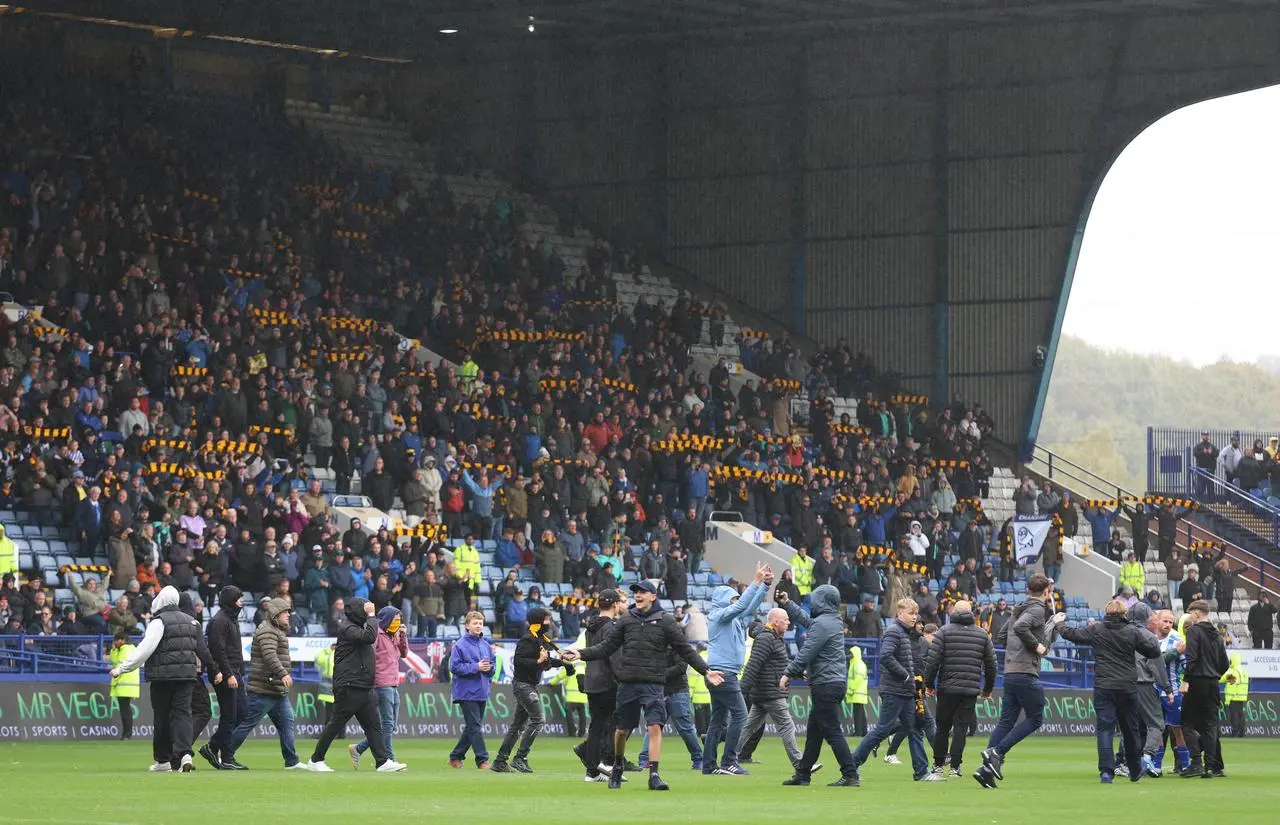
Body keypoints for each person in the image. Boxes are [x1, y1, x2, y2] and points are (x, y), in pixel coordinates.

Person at [564, 580, 722, 791]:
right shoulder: (626, 620)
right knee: (621, 730)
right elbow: (606, 647)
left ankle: (654, 774)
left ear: (653, 596)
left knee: (655, 726)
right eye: (636, 592)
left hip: (654, 684)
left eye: (642, 592)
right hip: (628, 684)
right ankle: (617, 765)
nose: (637, 595)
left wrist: (706, 670)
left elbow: (685, 650)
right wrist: (581, 654)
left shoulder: (665, 621)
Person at [1057, 599, 1160, 783]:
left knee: (1105, 729)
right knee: (1130, 730)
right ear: (1124, 614)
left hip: (1104, 685)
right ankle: (1135, 769)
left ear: (1106, 612)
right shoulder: (1132, 631)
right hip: (1127, 686)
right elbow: (1153, 651)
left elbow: (1071, 635)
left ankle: (1106, 771)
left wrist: (1059, 623)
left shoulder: (1097, 629)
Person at [975, 574, 1060, 789]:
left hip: (1011, 671)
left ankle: (986, 769)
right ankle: (997, 752)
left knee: (1006, 721)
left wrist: (1047, 627)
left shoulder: (1017, 609)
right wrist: (1037, 643)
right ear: (1046, 592)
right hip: (1025, 671)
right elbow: (1024, 629)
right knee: (1035, 718)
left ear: (1028, 590)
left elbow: (1004, 636)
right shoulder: (1037, 610)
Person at [307, 598, 407, 772]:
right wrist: (372, 616)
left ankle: (383, 762)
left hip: (363, 686)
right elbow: (369, 637)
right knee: (336, 724)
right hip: (349, 685)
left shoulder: (359, 626)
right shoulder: (348, 627)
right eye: (364, 609)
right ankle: (316, 760)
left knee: (374, 726)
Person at [108, 585, 201, 773]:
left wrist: (123, 668)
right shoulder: (192, 622)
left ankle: (163, 760)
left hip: (163, 677)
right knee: (183, 714)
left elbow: (145, 649)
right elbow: (201, 650)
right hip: (187, 676)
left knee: (162, 718)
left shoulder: (159, 622)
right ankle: (185, 755)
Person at [778, 584, 858, 786]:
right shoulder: (831, 621)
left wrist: (788, 673)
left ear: (821, 601)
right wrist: (788, 604)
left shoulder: (823, 624)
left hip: (825, 684)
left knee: (831, 730)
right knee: (814, 733)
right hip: (834, 682)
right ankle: (803, 774)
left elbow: (806, 652)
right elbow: (808, 622)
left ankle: (850, 774)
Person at [845, 599, 930, 783]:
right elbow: (885, 656)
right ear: (899, 613)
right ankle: (851, 765)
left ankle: (922, 772)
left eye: (915, 613)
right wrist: (906, 676)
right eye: (910, 613)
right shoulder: (894, 631)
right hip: (895, 690)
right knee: (882, 730)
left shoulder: (904, 632)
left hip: (905, 691)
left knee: (914, 728)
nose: (914, 616)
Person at [223, 597, 308, 770]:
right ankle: (224, 753)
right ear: (276, 614)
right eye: (285, 612)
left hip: (276, 689)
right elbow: (270, 655)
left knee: (287, 723)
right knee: (247, 724)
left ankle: (291, 761)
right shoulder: (268, 630)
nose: (288, 616)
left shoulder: (275, 629)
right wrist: (283, 673)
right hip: (264, 688)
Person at [702, 562, 771, 776]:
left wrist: (765, 587)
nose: (735, 602)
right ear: (723, 601)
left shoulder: (731, 618)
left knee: (717, 720)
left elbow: (748, 607)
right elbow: (742, 607)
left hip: (723, 672)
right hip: (723, 673)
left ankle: (709, 765)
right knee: (741, 716)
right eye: (732, 599)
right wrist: (756, 581)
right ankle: (729, 761)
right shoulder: (717, 616)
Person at [923, 600, 997, 778]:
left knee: (942, 727)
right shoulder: (982, 634)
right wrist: (987, 689)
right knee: (961, 730)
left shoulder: (944, 632)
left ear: (954, 612)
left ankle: (939, 765)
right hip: (969, 690)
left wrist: (929, 685)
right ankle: (955, 767)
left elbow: (932, 661)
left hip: (947, 688)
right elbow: (992, 665)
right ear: (971, 612)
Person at [492, 607, 566, 773]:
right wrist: (538, 660)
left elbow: (544, 663)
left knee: (518, 724)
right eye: (547, 620)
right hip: (523, 685)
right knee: (538, 720)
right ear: (539, 621)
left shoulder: (539, 639)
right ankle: (520, 758)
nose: (549, 623)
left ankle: (500, 761)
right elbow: (519, 661)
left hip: (528, 685)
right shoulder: (528, 639)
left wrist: (563, 664)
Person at [738, 607, 810, 773]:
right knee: (787, 726)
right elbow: (753, 666)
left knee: (748, 727)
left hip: (764, 692)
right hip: (770, 692)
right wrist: (741, 691)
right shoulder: (766, 638)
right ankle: (800, 763)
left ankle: (729, 757)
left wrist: (798, 673)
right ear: (775, 622)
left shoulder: (774, 638)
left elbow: (780, 664)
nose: (788, 622)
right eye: (785, 619)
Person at [573, 589, 625, 781]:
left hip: (591, 680)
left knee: (595, 726)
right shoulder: (612, 627)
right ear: (615, 605)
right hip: (608, 680)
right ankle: (607, 764)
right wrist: (622, 677)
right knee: (614, 724)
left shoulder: (590, 626)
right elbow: (614, 656)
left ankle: (592, 771)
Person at [349, 606, 409, 769]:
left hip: (394, 683)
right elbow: (367, 654)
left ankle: (358, 748)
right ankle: (388, 759)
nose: (397, 623)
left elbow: (403, 654)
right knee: (387, 723)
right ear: (386, 619)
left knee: (389, 725)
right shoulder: (377, 634)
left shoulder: (394, 635)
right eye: (395, 619)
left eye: (399, 620)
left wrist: (403, 635)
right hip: (381, 683)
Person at [1180, 599, 1229, 778]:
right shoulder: (1217, 634)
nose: (1190, 616)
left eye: (1191, 613)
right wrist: (1214, 673)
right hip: (1213, 683)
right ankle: (1211, 766)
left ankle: (1195, 762)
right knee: (1210, 725)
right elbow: (1225, 663)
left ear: (1197, 613)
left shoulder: (1193, 631)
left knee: (1187, 722)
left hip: (1196, 681)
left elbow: (1191, 659)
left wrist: (1186, 680)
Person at [638, 643, 705, 771]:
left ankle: (698, 759)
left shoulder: (676, 644)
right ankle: (645, 760)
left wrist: (660, 674)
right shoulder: (654, 644)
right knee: (654, 726)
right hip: (659, 690)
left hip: (677, 690)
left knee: (684, 728)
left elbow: (681, 667)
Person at [205, 585, 247, 770]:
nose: (242, 601)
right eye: (239, 598)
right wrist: (228, 674)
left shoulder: (231, 619)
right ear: (231, 600)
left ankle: (213, 747)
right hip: (225, 674)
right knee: (230, 715)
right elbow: (217, 650)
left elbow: (233, 649)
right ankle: (227, 756)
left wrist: (239, 671)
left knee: (241, 712)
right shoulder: (220, 621)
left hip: (235, 672)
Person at [448, 610, 495, 770]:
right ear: (467, 626)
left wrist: (489, 668)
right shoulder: (460, 645)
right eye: (475, 623)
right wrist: (476, 667)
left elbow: (492, 665)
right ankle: (482, 760)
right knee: (474, 726)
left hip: (482, 690)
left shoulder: (485, 644)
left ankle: (455, 756)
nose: (478, 626)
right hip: (466, 692)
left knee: (472, 727)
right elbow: (454, 667)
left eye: (480, 623)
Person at [108, 631, 140, 740]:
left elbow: (117, 663)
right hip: (129, 684)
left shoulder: (125, 650)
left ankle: (127, 734)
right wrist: (114, 650)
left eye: (115, 641)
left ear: (122, 640)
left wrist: (113, 650)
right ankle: (127, 734)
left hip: (123, 684)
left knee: (125, 711)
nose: (114, 643)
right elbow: (116, 661)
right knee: (126, 710)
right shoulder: (131, 649)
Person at [551, 654, 588, 739]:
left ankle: (572, 733)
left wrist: (551, 683)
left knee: (569, 715)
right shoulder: (583, 667)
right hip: (582, 697)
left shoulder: (569, 666)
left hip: (571, 697)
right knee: (582, 716)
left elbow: (558, 678)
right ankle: (581, 734)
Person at [1220, 652, 1249, 739]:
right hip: (1242, 697)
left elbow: (1228, 683)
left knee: (1234, 716)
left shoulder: (1233, 671)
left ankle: (1235, 733)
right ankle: (1241, 733)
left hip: (1234, 697)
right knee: (1241, 715)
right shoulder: (1244, 671)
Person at [845, 644, 869, 737]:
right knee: (861, 712)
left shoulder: (857, 664)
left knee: (858, 713)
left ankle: (858, 732)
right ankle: (863, 731)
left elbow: (857, 679)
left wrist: (850, 690)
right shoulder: (857, 663)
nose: (850, 655)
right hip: (859, 692)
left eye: (851, 654)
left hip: (856, 692)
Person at [315, 641, 338, 735]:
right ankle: (331, 733)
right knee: (331, 713)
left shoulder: (338, 654)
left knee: (335, 713)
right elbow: (318, 659)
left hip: (336, 686)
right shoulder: (328, 654)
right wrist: (329, 650)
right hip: (330, 689)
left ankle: (333, 733)